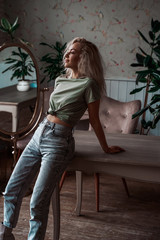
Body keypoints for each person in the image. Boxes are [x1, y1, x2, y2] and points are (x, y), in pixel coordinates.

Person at [0, 37, 124, 240]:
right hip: (40, 134)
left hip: (59, 142)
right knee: (12, 189)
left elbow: (94, 120)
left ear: (83, 57)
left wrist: (106, 147)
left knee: (37, 201)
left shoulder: (89, 84)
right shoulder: (60, 80)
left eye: (72, 51)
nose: (66, 54)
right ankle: (5, 233)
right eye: (67, 51)